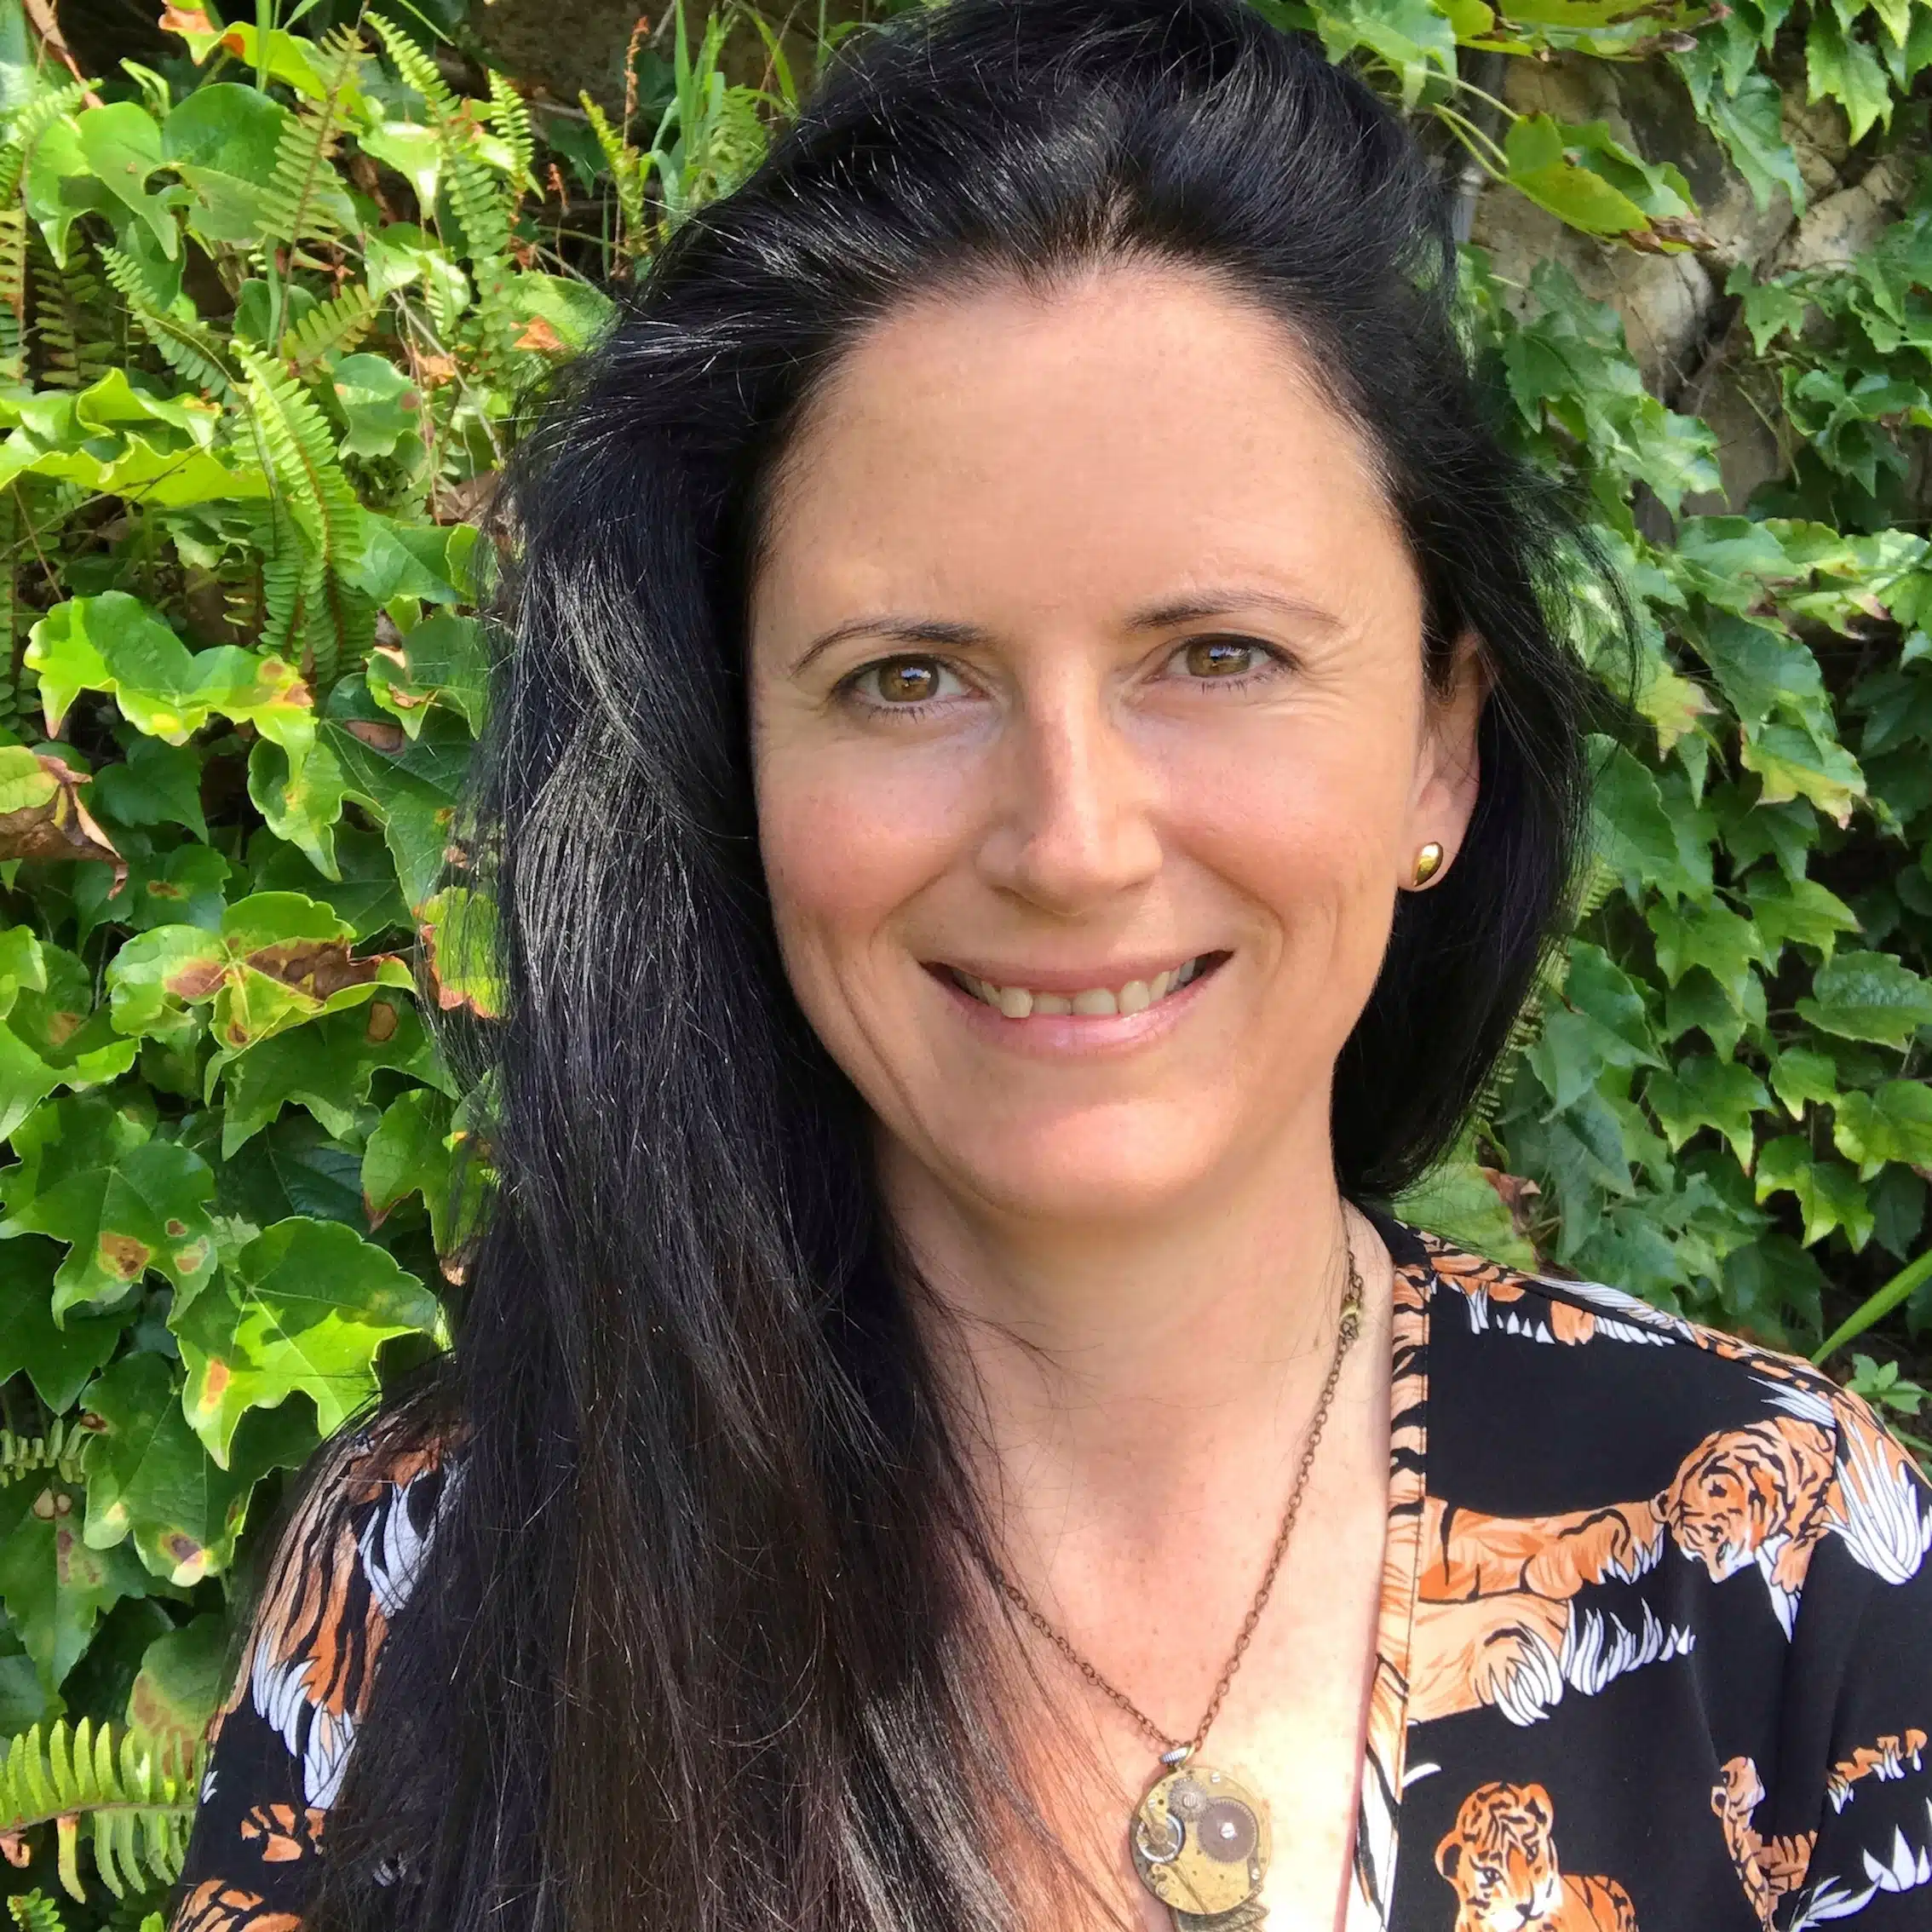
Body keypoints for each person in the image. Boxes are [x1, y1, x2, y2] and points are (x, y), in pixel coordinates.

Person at [166, 2, 1932, 1929]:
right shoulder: (437, 1585)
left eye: (1219, 656)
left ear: (1441, 744)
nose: (1074, 840)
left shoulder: (1779, 1562)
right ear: (732, 763)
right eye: (906, 679)